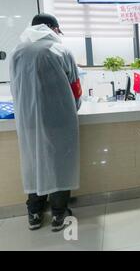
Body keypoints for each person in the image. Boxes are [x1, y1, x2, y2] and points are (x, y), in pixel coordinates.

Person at [9, 14, 82, 232]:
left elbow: (14, 88)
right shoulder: (61, 50)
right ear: (52, 28)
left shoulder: (17, 52)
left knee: (34, 163)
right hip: (60, 119)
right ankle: (59, 214)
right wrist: (74, 108)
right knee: (60, 164)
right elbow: (75, 87)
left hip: (28, 120)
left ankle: (34, 213)